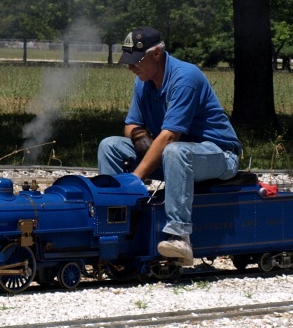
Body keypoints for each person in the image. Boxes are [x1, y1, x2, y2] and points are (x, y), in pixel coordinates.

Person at [97, 26, 241, 266]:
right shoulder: (142, 82)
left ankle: (179, 236)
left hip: (218, 155)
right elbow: (131, 124)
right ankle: (114, 221)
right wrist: (140, 136)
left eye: (136, 60)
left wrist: (133, 181)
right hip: (176, 156)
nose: (131, 67)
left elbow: (170, 137)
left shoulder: (185, 77)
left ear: (156, 53)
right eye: (128, 61)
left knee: (174, 151)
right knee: (110, 146)